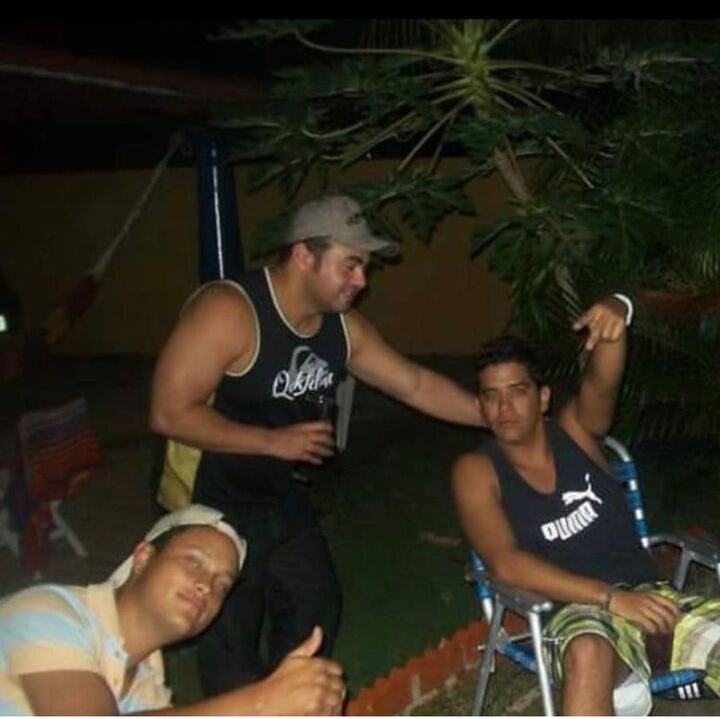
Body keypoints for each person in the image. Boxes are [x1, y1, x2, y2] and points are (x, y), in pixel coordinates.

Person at [149, 193, 484, 694]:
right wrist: (272, 441)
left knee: (314, 605)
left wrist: (493, 414)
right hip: (213, 497)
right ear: (305, 254)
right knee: (230, 635)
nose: (362, 280)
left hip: (279, 493)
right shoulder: (231, 310)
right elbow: (169, 413)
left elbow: (413, 384)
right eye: (350, 265)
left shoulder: (340, 328)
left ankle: (291, 701)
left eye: (364, 267)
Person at [451, 296, 720, 715]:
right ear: (480, 406)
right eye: (491, 396)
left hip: (648, 600)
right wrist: (611, 599)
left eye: (517, 392)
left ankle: (629, 683)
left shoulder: (574, 432)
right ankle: (620, 684)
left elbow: (601, 384)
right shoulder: (477, 470)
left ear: (542, 398)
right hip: (574, 615)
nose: (504, 409)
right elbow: (506, 564)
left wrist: (618, 312)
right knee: (589, 651)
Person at [0, 504, 345, 716]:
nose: (206, 585)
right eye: (193, 561)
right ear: (143, 557)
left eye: (222, 585)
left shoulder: (149, 694)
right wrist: (261, 702)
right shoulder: (47, 612)